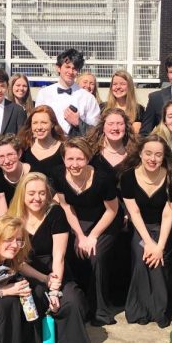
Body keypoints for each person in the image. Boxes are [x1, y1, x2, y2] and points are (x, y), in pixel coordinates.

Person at [8, 173, 95, 343]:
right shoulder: (13, 217)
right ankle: (39, 341)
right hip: (26, 271)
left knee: (72, 300)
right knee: (36, 296)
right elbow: (15, 260)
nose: (37, 198)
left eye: (41, 193)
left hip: (56, 270)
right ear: (22, 194)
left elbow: (59, 255)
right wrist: (42, 279)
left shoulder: (55, 212)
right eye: (31, 193)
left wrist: (55, 288)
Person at [53, 138, 120, 325]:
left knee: (95, 255)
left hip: (103, 222)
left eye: (80, 159)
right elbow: (66, 207)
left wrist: (92, 236)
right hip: (77, 220)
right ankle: (78, 303)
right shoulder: (58, 175)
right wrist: (79, 235)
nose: (74, 164)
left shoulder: (102, 179)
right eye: (70, 159)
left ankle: (100, 310)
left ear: (88, 158)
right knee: (70, 252)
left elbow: (112, 210)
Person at [119, 136, 172, 328]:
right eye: (148, 153)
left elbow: (169, 213)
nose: (152, 159)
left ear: (164, 157)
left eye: (158, 154)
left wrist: (159, 246)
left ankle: (159, 311)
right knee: (141, 256)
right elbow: (134, 212)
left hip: (165, 229)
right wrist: (149, 243)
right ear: (140, 154)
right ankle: (140, 310)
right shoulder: (128, 177)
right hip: (141, 228)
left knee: (159, 260)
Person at [35, 48, 100, 134]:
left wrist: (78, 122)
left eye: (74, 68)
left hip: (77, 145)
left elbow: (94, 131)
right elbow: (37, 122)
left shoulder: (88, 98)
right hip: (50, 145)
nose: (70, 71)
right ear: (58, 68)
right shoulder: (44, 93)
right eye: (67, 67)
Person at [86, 107, 135, 178]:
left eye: (120, 124)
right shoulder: (90, 152)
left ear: (126, 127)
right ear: (103, 127)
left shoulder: (135, 154)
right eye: (110, 124)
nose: (115, 128)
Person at [18, 105, 66, 176]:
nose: (39, 127)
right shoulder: (24, 148)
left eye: (44, 122)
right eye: (35, 123)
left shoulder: (64, 149)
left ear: (52, 124)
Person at [0, 134, 30, 217]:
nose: (7, 161)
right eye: (1, 156)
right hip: (9, 219)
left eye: (10, 155)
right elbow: (2, 210)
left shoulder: (33, 172)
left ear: (19, 153)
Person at [105, 68, 145, 135]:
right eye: (115, 84)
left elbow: (136, 135)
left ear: (130, 87)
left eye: (122, 84)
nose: (118, 87)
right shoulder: (103, 108)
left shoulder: (138, 110)